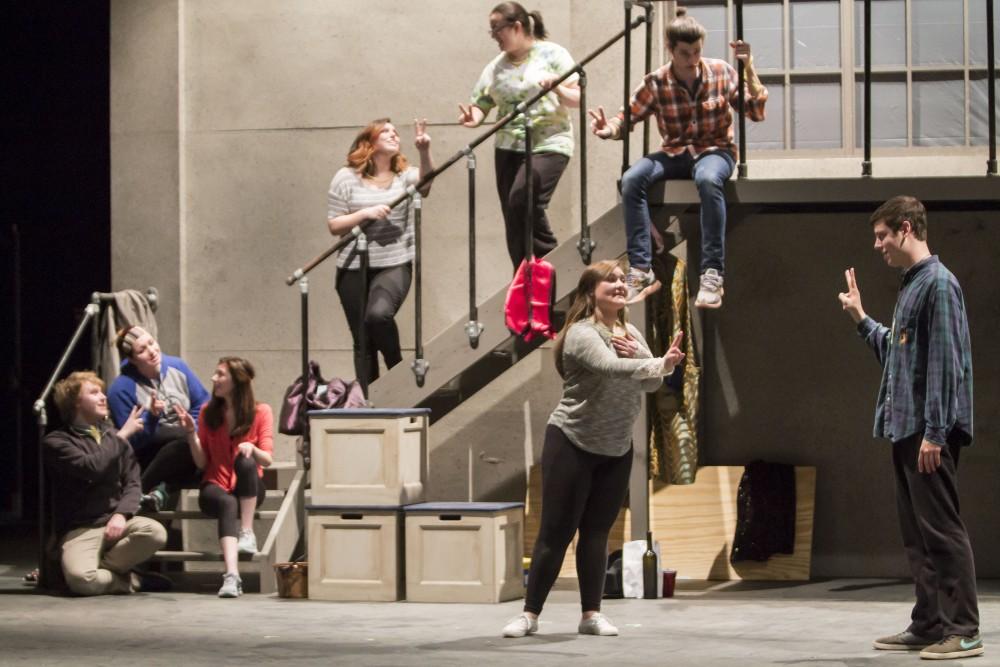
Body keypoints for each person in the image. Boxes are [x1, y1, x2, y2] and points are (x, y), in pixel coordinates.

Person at [502, 259, 685, 638]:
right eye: (609, 280)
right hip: (572, 440)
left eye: (622, 279)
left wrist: (649, 360)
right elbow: (608, 367)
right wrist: (656, 363)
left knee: (598, 533)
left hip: (615, 446)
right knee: (556, 532)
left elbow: (649, 385)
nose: (619, 284)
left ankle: (590, 615)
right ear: (590, 292)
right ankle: (530, 614)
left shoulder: (630, 331)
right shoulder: (582, 334)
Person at [837, 195, 983, 660]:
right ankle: (929, 622)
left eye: (882, 236)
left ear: (905, 228)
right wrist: (861, 319)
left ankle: (964, 629)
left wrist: (936, 432)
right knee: (917, 536)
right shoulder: (912, 285)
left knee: (941, 531)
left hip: (927, 432)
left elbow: (946, 363)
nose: (878, 246)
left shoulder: (938, 284)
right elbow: (899, 357)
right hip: (906, 429)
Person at [589, 7, 767, 308]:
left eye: (697, 51)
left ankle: (712, 273)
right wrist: (609, 130)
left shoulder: (721, 71)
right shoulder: (656, 82)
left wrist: (748, 66)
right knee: (632, 179)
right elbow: (627, 117)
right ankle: (641, 269)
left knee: (708, 180)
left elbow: (755, 111)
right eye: (685, 53)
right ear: (671, 50)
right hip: (675, 151)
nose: (693, 59)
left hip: (715, 150)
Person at [459, 1, 579, 269]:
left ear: (517, 26)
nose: (494, 37)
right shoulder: (495, 67)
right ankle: (523, 275)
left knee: (522, 198)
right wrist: (473, 117)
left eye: (496, 29)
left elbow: (577, 98)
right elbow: (482, 104)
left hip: (549, 141)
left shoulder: (552, 54)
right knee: (512, 215)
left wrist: (558, 89)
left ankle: (549, 260)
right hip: (508, 146)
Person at [327, 118, 434, 386]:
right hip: (352, 267)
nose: (393, 135)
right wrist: (364, 214)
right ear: (369, 142)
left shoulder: (405, 175)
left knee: (378, 315)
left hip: (394, 263)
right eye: (385, 131)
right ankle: (369, 401)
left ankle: (396, 368)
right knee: (362, 341)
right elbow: (334, 225)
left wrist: (424, 151)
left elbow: (426, 183)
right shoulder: (345, 178)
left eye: (396, 132)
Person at [43, 371, 168, 595]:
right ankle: (131, 581)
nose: (103, 397)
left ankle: (103, 570)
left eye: (102, 392)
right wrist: (122, 436)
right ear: (75, 403)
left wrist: (122, 514)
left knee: (155, 532)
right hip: (81, 529)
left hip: (115, 525)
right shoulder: (57, 442)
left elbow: (132, 482)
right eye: (94, 392)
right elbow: (92, 467)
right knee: (82, 580)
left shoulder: (112, 436)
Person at [176, 357, 273, 598]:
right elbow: (201, 462)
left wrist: (252, 448)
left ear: (237, 381)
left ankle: (247, 533)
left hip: (247, 487)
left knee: (247, 460)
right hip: (214, 485)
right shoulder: (209, 412)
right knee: (227, 502)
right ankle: (232, 576)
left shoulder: (261, 412)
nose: (214, 379)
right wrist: (190, 433)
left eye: (220, 375)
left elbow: (267, 460)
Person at [108, 325, 211, 511]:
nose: (152, 351)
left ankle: (161, 490)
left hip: (185, 445)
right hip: (149, 451)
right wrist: (152, 416)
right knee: (185, 440)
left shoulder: (177, 366)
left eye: (151, 343)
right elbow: (132, 440)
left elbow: (203, 403)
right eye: (142, 350)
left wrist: (190, 424)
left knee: (194, 444)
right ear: (131, 359)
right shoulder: (120, 389)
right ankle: (141, 489)